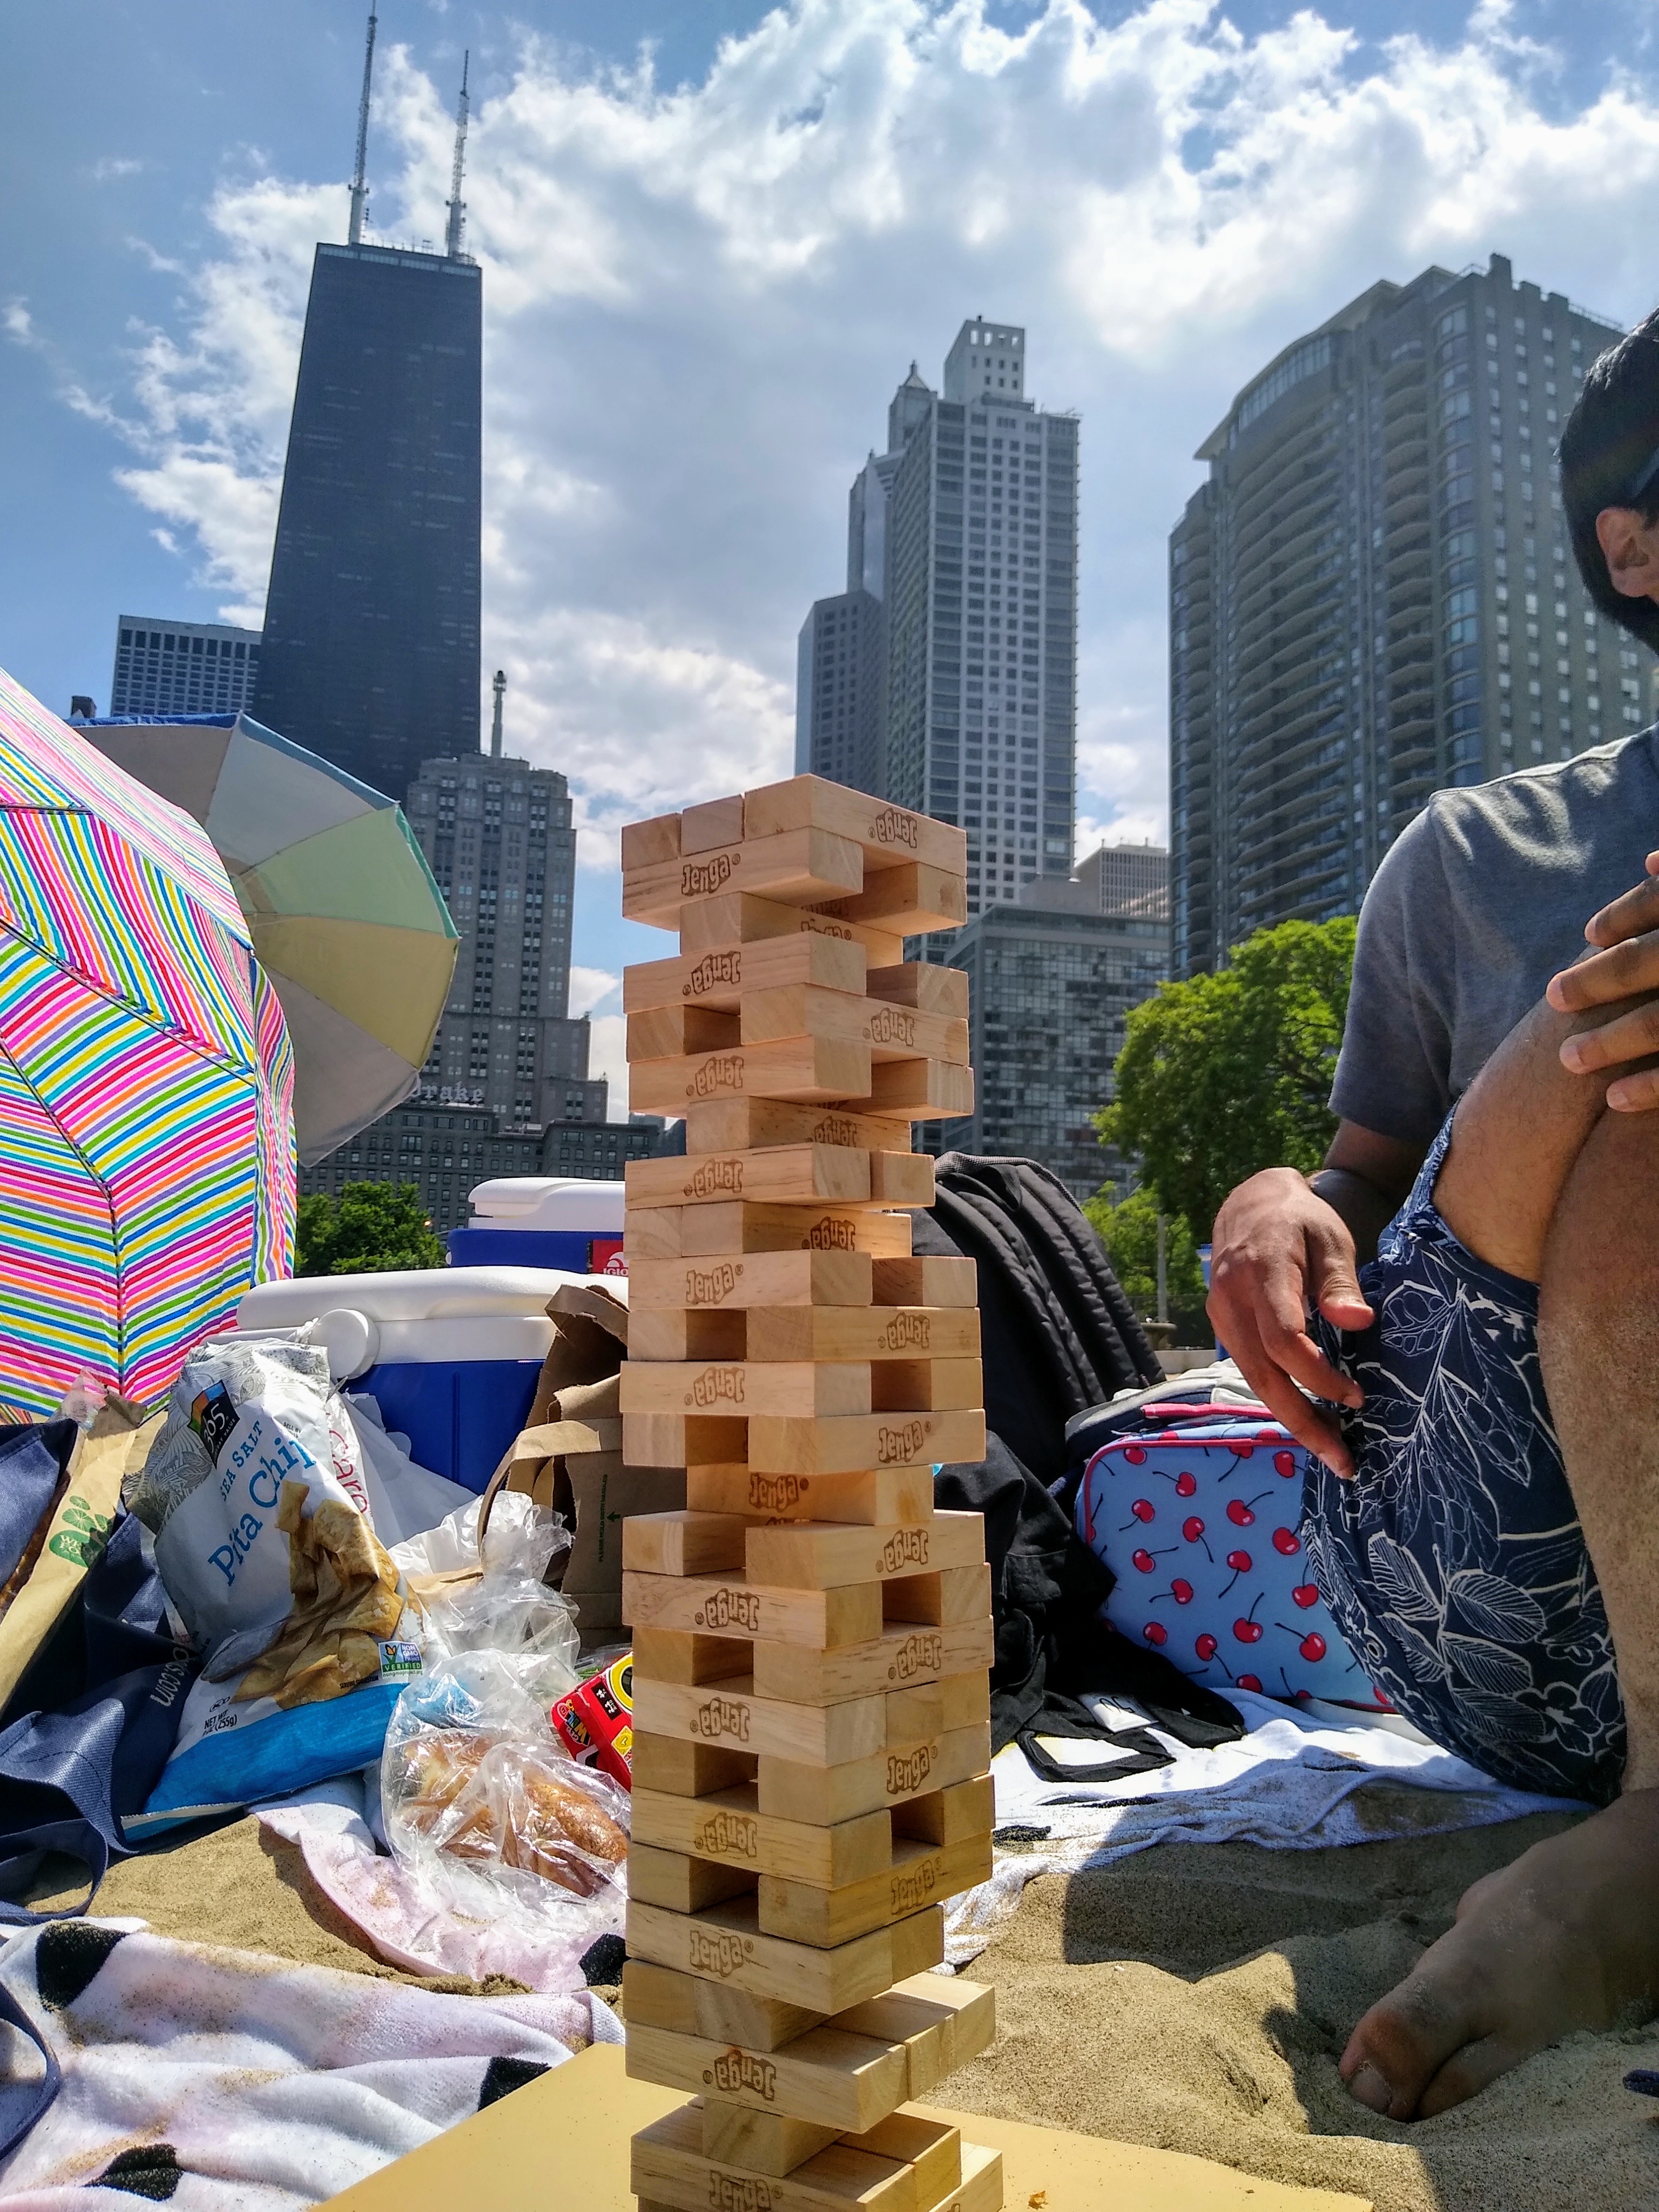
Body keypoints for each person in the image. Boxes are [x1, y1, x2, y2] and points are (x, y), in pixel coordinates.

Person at [1208, 305, 1659, 2122]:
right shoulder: (1482, 857)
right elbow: (1361, 1191)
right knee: (1629, 1029)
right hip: (1529, 1591)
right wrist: (1266, 1200)